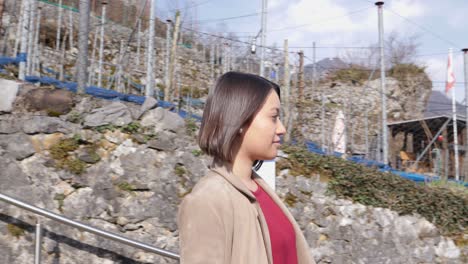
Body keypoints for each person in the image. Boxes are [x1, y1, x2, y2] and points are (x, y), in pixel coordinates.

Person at [177, 72, 315, 264]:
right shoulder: (207, 201)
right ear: (240, 121)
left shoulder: (260, 190)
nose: (282, 129)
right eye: (274, 117)